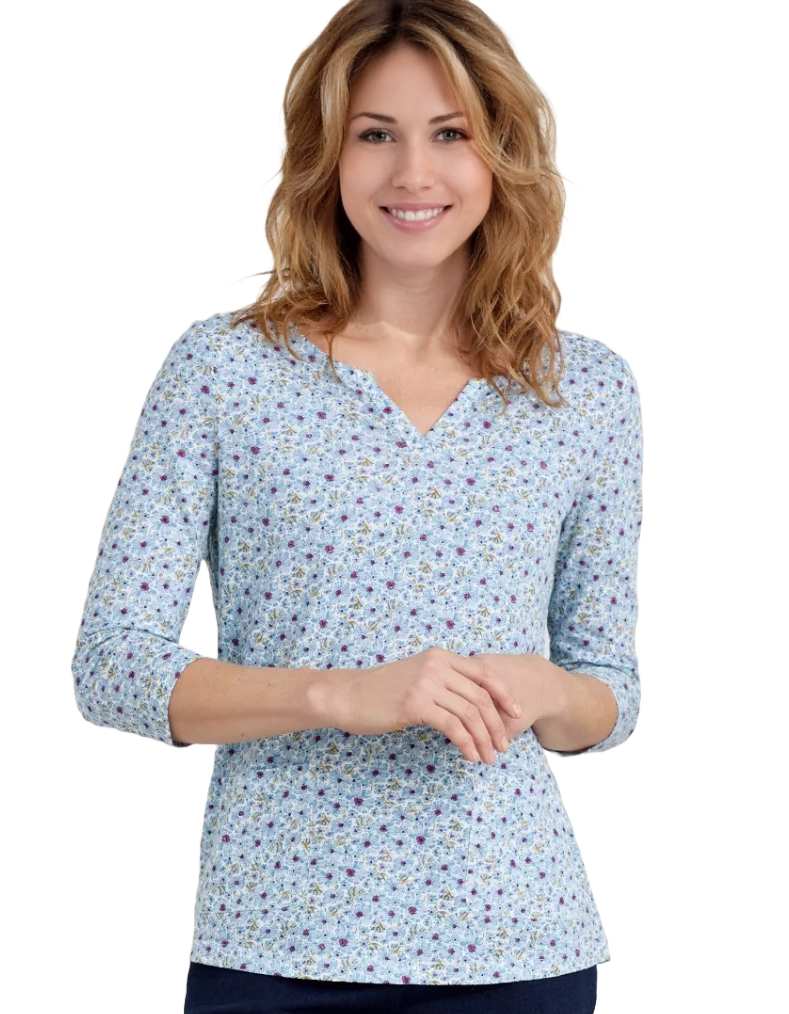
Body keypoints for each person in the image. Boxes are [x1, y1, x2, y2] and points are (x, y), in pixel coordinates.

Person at [71, 1, 644, 1012]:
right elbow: (112, 666)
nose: (413, 172)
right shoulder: (224, 372)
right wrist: (337, 696)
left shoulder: (584, 391)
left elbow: (610, 691)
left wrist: (549, 691)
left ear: (501, 155)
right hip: (274, 947)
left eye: (450, 134)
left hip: (519, 948)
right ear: (327, 156)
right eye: (376, 135)